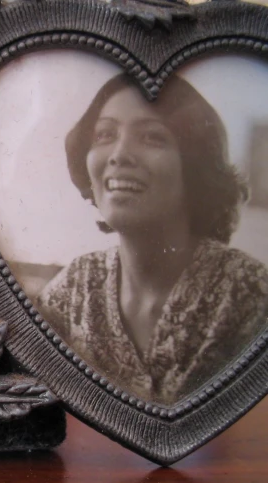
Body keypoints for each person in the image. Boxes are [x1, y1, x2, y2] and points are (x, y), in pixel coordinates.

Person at [38, 74, 268, 405]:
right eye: (105, 134)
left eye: (152, 137)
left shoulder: (249, 292)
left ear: (194, 167)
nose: (119, 155)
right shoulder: (72, 290)